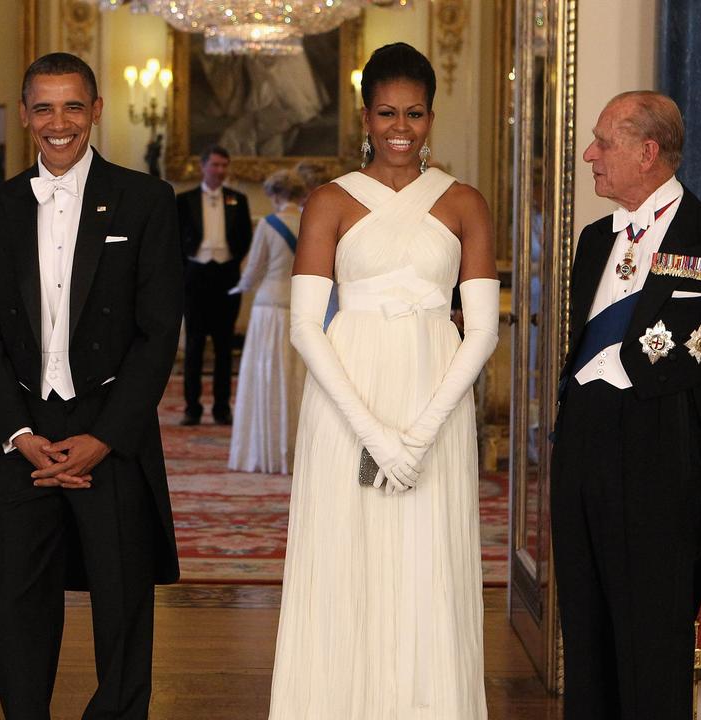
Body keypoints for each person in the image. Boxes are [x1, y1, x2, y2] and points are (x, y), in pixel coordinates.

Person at [269, 43, 498, 719]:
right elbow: (306, 325)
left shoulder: (463, 203)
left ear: (432, 116)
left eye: (416, 113)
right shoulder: (329, 201)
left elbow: (481, 329)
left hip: (438, 393)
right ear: (366, 117)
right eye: (388, 113)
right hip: (348, 399)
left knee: (428, 566)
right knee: (345, 564)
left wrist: (417, 437)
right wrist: (376, 435)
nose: (402, 127)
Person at [0, 52, 183, 719]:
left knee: (122, 606)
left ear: (96, 111)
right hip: (23, 433)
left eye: (73, 106)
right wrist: (18, 432)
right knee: (20, 604)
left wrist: (105, 437)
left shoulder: (146, 201)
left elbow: (158, 333)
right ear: (26, 114)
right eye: (45, 107)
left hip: (110, 432)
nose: (60, 123)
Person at [551, 91, 701, 720]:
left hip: (663, 462)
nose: (590, 156)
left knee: (653, 641)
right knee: (588, 630)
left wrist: (697, 463)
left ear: (648, 152)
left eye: (604, 142)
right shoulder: (595, 241)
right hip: (583, 457)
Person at [227, 169, 308, 474]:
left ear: (274, 195)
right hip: (298, 306)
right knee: (295, 378)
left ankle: (265, 449)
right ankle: (296, 450)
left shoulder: (268, 224)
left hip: (268, 307)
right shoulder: (308, 221)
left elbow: (253, 270)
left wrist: (237, 287)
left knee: (267, 376)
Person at [177, 145, 252, 426]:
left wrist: (229, 262)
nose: (220, 171)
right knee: (194, 345)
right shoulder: (183, 201)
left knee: (223, 346)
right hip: (194, 278)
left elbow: (245, 237)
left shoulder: (238, 199)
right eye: (215, 165)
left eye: (224, 166)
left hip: (226, 278)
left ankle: (222, 408)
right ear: (203, 166)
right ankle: (191, 408)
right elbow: (173, 238)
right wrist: (186, 269)